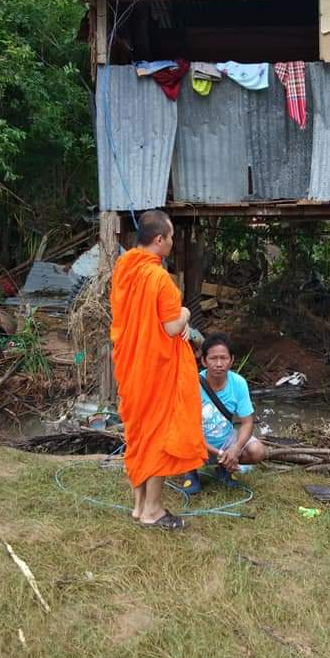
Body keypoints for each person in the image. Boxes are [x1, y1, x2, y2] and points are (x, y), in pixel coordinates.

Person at [110, 210, 207, 528]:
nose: (172, 243)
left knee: (139, 433)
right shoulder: (158, 278)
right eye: (171, 237)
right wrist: (186, 312)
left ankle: (139, 506)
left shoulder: (124, 269)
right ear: (159, 239)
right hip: (156, 368)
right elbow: (170, 327)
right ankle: (152, 510)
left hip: (131, 365)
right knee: (158, 435)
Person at [181, 332, 266, 494]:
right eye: (213, 358)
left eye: (224, 358)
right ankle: (191, 471)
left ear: (231, 360)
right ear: (204, 361)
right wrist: (221, 453)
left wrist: (236, 448)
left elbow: (247, 422)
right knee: (184, 440)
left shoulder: (239, 383)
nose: (219, 364)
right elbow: (189, 431)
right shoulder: (191, 384)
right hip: (196, 444)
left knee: (258, 451)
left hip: (225, 441)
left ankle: (223, 468)